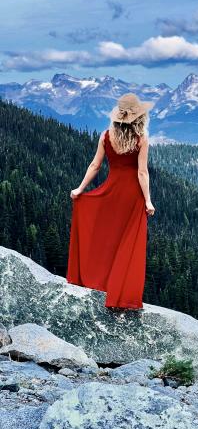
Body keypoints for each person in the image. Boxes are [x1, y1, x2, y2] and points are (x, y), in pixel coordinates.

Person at [66, 93, 155, 311]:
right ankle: (120, 293)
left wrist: (80, 189)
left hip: (111, 192)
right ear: (138, 117)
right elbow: (142, 173)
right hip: (132, 196)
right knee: (126, 243)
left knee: (107, 238)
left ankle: (98, 281)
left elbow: (95, 166)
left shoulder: (106, 136)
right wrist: (148, 201)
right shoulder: (141, 139)